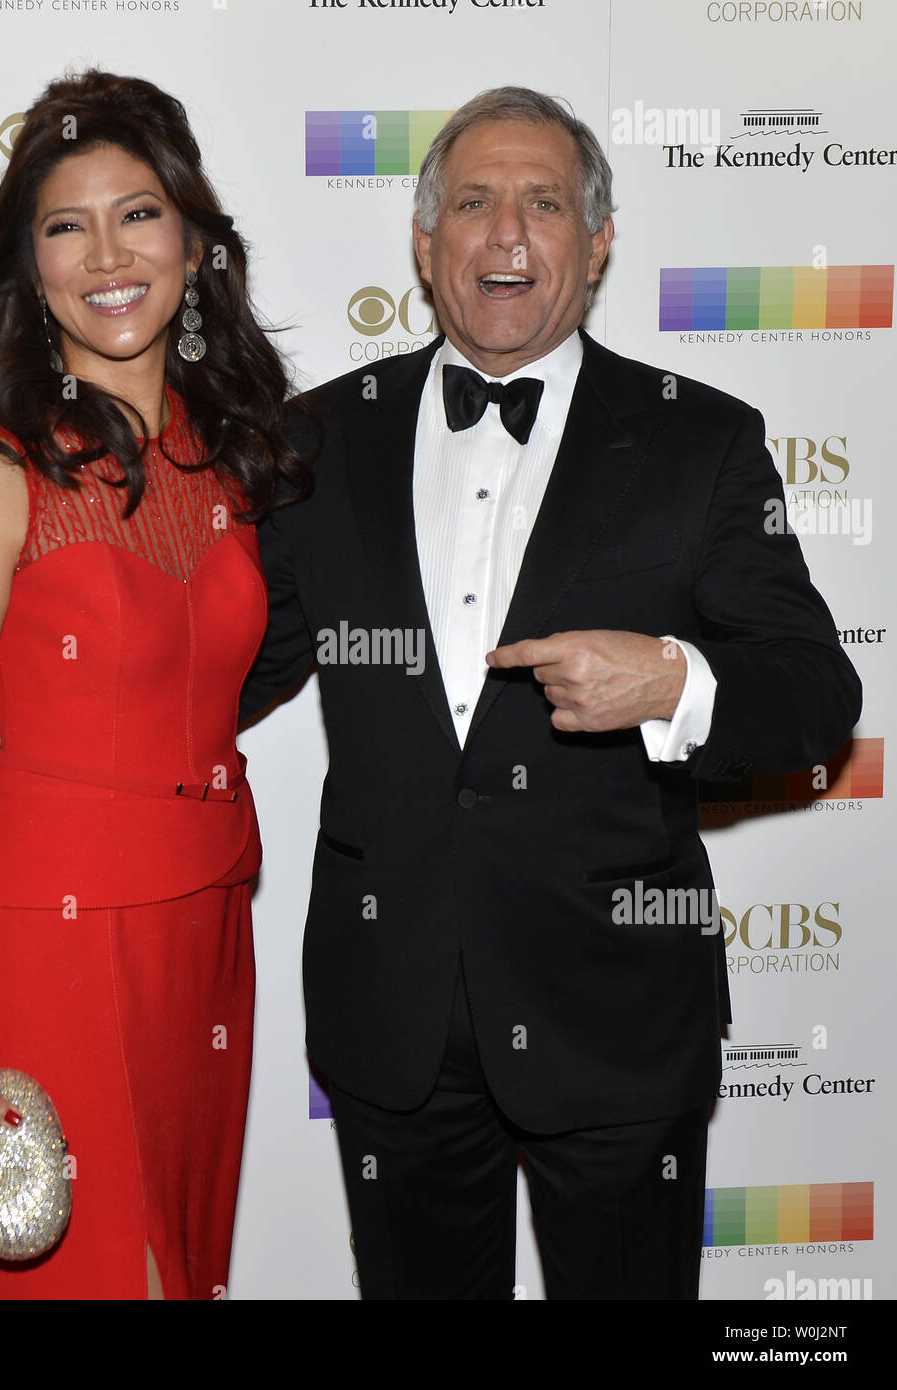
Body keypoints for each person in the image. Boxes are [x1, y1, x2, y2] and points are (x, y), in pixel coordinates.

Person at [236, 88, 862, 1299]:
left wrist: (675, 679)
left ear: (599, 240)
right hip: (391, 1022)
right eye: (473, 203)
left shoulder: (702, 441)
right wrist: (44, 726)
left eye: (545, 203)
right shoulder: (321, 440)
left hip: (618, 1018)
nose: (508, 234)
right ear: (426, 246)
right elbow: (233, 664)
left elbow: (813, 694)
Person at [0, 69, 304, 1300]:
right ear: (30, 267)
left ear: (193, 239)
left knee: (180, 1269)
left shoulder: (231, 454)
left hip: (203, 934)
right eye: (65, 226)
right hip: (47, 942)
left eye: (138, 213)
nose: (108, 254)